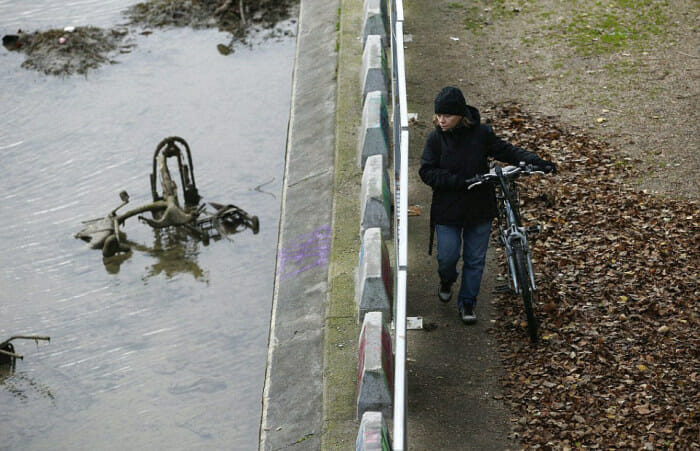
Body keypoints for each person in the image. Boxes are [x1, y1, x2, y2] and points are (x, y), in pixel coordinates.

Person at [418, 86, 556, 324]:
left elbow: (507, 151)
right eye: (438, 115)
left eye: (447, 115)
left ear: (461, 115)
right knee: (447, 257)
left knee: (475, 259)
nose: (441, 120)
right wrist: (457, 181)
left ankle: (468, 302)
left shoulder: (481, 134)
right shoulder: (435, 139)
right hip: (448, 210)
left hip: (479, 208)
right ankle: (447, 280)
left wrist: (535, 161)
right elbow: (427, 171)